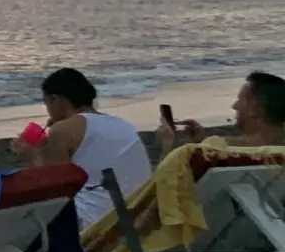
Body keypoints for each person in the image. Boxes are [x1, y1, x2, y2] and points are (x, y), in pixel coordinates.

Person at [19, 67, 152, 231]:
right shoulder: (123, 125)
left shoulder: (62, 129)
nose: (47, 109)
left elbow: (54, 192)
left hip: (93, 222)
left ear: (57, 100)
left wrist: (32, 157)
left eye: (46, 102)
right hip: (138, 218)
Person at [157, 71, 285, 157]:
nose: (234, 106)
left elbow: (166, 185)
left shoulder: (219, 149)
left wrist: (168, 145)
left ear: (254, 108)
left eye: (240, 100)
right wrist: (202, 141)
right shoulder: (278, 151)